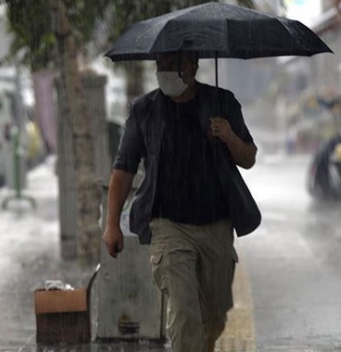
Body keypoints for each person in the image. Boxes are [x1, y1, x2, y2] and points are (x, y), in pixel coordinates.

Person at [102, 51, 261, 352]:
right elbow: (123, 168)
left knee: (214, 314)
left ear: (193, 66)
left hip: (216, 224)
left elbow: (249, 158)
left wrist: (229, 137)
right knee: (185, 310)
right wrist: (112, 225)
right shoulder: (144, 110)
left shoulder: (222, 103)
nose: (165, 72)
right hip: (168, 224)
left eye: (172, 65)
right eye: (160, 65)